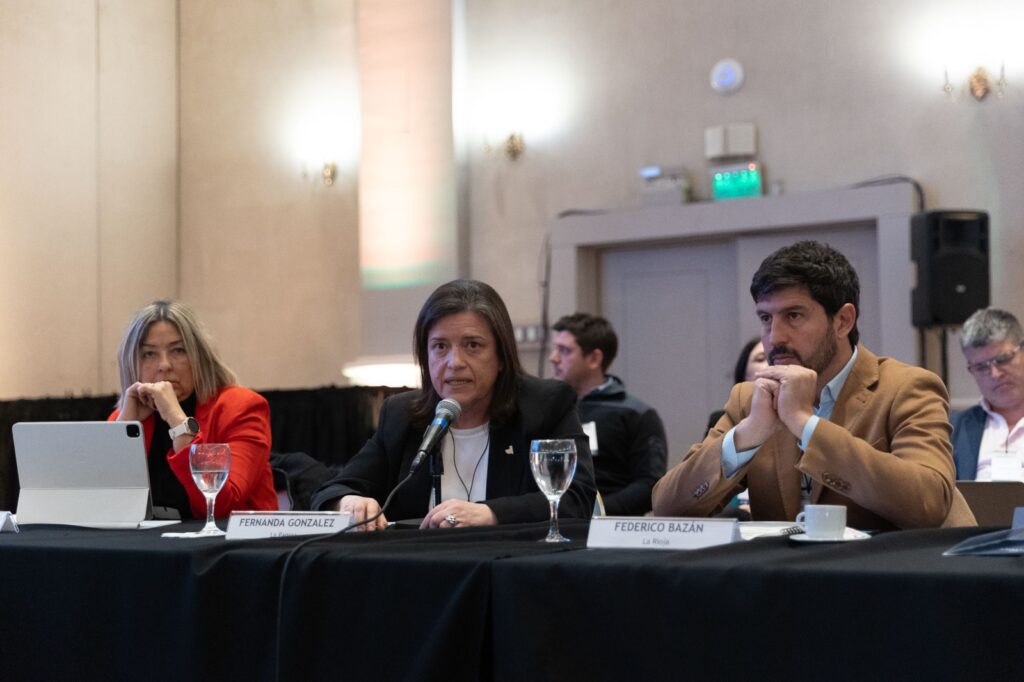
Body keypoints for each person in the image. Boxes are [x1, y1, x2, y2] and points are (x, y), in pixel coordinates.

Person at [652, 240, 973, 530]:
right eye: (765, 318)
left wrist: (806, 425)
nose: (774, 337)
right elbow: (667, 508)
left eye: (793, 316)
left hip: (886, 573)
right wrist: (748, 434)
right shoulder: (750, 400)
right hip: (784, 574)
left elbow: (928, 505)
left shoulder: (907, 388)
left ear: (843, 321)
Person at [311, 279, 596, 530]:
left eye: (472, 345)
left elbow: (577, 499)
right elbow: (332, 490)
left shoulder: (545, 406)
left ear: (501, 357)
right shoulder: (402, 415)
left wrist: (490, 513)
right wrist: (348, 501)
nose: (454, 362)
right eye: (440, 347)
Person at [111, 300, 277, 519]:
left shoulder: (241, 408)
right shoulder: (125, 417)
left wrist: (177, 420)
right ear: (132, 363)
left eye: (178, 351)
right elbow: (106, 507)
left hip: (231, 538)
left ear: (200, 357)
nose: (164, 365)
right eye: (149, 354)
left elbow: (222, 506)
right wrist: (125, 429)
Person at [549, 313, 667, 515]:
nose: (553, 358)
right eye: (555, 348)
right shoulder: (548, 409)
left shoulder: (636, 414)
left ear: (594, 358)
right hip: (551, 519)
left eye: (564, 350)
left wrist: (596, 511)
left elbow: (650, 485)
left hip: (610, 523)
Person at [952, 308, 1024, 480]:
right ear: (971, 371)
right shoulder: (954, 429)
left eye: (1003, 359)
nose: (995, 374)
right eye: (981, 367)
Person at [705, 338, 769, 435]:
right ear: (744, 372)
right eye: (760, 359)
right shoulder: (720, 420)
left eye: (776, 359)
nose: (771, 364)